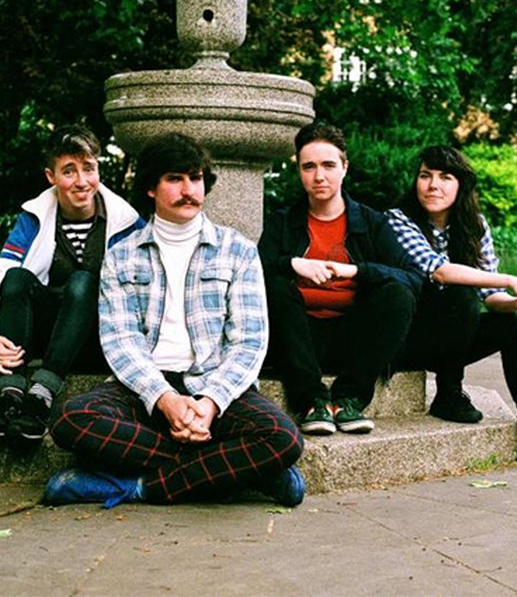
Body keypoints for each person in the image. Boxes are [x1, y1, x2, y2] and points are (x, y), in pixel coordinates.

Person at [44, 132, 305, 508]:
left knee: (283, 438)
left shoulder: (238, 250)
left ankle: (137, 488)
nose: (188, 190)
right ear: (151, 187)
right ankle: (250, 471)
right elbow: (120, 341)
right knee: (70, 419)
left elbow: (249, 341)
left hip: (215, 386)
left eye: (195, 178)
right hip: (143, 389)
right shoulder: (122, 256)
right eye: (174, 179)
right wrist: (164, 399)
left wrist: (210, 403)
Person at [387, 145, 517, 472]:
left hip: (449, 340)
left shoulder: (475, 226)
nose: (433, 185)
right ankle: (450, 390)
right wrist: (511, 279)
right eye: (425, 176)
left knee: (512, 325)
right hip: (405, 340)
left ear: (461, 186)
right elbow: (440, 271)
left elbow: (490, 295)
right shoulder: (398, 220)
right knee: (460, 294)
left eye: (445, 177)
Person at [258, 123, 422, 436]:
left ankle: (349, 399)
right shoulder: (282, 222)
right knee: (275, 285)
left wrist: (358, 271)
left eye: (328, 165)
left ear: (344, 168)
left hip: (355, 339)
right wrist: (293, 264)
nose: (319, 176)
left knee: (398, 293)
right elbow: (253, 273)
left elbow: (413, 277)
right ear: (299, 171)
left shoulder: (372, 222)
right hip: (298, 340)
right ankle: (311, 402)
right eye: (309, 167)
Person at [0, 125, 144, 443]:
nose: (81, 181)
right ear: (51, 176)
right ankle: (9, 393)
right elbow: (5, 267)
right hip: (44, 335)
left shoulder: (127, 222)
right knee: (16, 278)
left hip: (98, 337)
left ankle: (41, 395)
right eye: (69, 171)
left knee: (83, 281)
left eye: (88, 169)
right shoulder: (34, 216)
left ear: (98, 170)